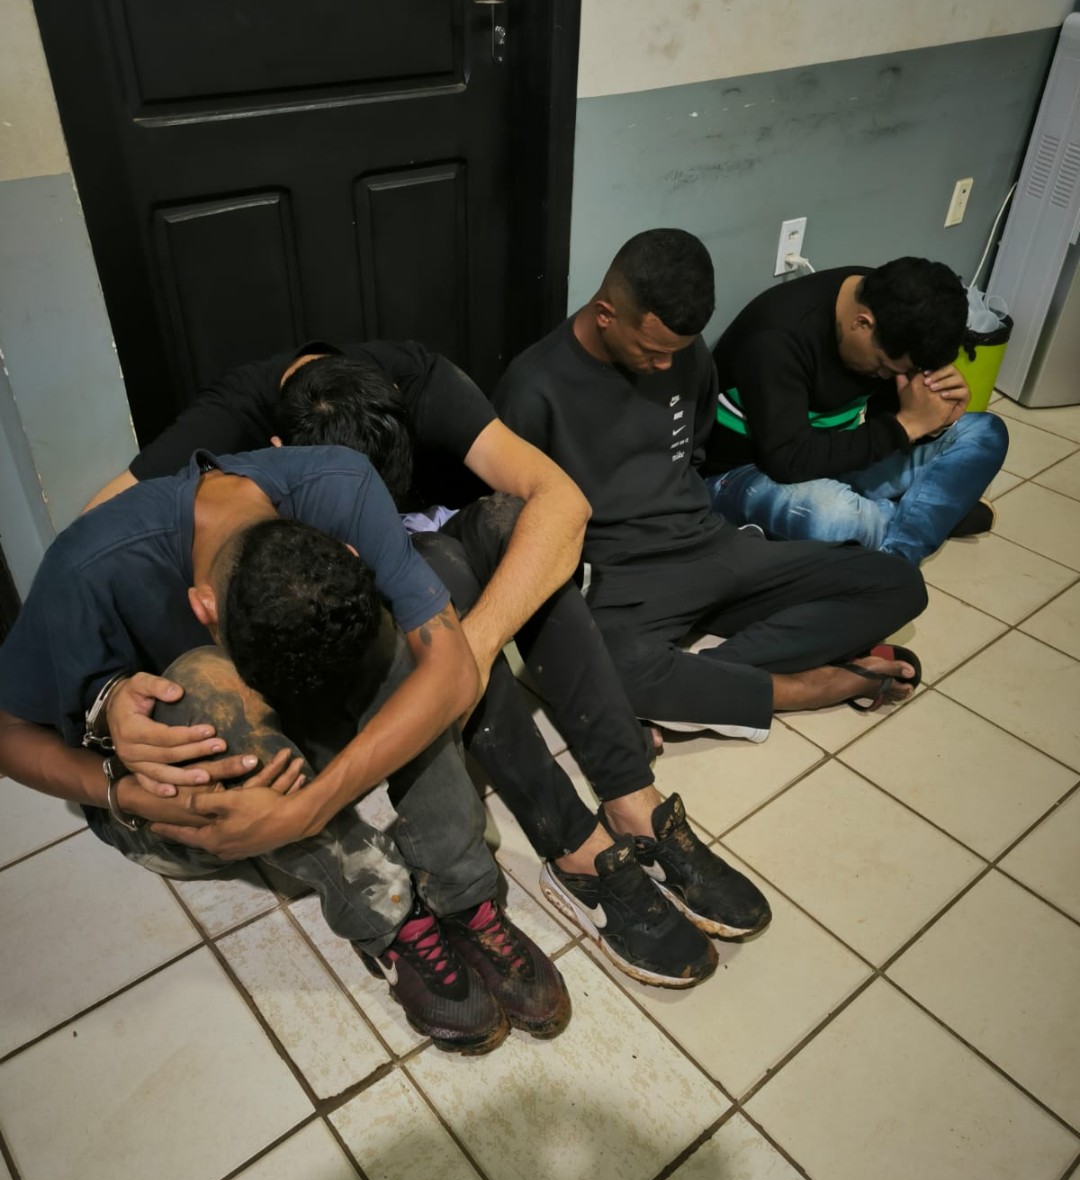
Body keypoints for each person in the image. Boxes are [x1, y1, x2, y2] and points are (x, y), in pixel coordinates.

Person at [84, 341, 770, 989]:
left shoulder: (417, 380)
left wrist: (468, 654)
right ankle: (576, 846)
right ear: (280, 455)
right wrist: (114, 693)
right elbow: (94, 532)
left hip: (422, 574)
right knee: (436, 566)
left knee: (510, 524)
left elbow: (564, 502)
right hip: (332, 608)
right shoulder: (229, 420)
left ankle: (631, 800)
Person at [0, 445, 570, 1054]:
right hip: (179, 801)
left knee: (407, 642)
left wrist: (308, 807)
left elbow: (452, 673)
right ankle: (388, 916)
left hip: (294, 775)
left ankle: (463, 894)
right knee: (202, 689)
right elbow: (8, 736)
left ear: (345, 550)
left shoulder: (340, 485)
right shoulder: (87, 567)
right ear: (202, 607)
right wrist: (126, 793)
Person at [492, 229, 929, 745]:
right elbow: (510, 524)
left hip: (710, 545)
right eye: (651, 351)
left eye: (675, 352)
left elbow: (693, 455)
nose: (664, 365)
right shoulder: (533, 387)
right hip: (618, 577)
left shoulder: (685, 353)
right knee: (607, 666)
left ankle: (709, 677)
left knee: (897, 582)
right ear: (606, 314)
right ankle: (802, 686)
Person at [701, 258, 1009, 563]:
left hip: (840, 453)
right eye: (884, 367)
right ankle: (924, 516)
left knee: (986, 433)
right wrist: (907, 426)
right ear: (862, 323)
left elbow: (882, 416)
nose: (886, 377)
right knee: (834, 518)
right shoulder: (776, 338)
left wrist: (936, 419)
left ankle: (896, 548)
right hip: (748, 472)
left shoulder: (899, 312)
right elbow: (788, 461)